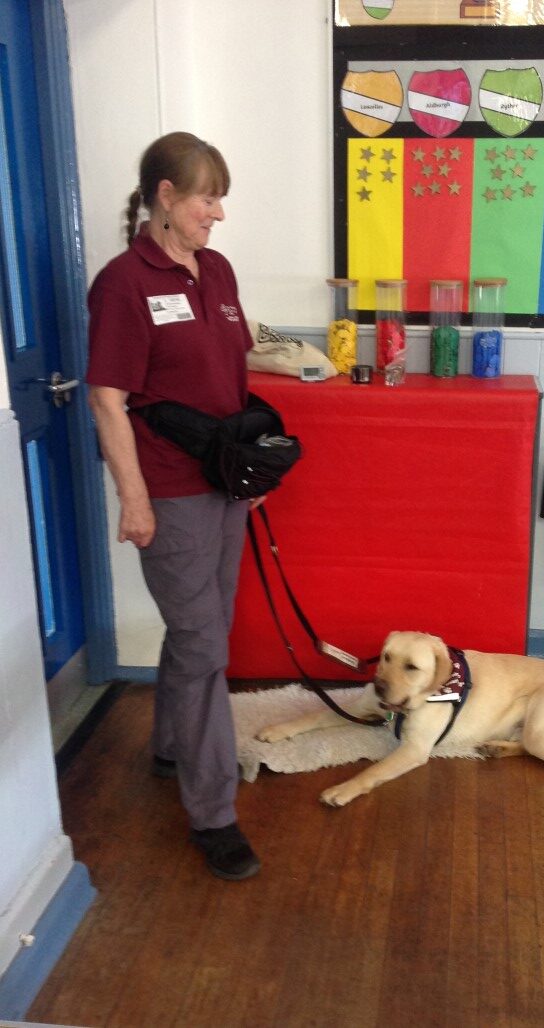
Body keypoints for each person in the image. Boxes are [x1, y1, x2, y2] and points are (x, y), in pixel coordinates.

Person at [86, 132, 261, 881]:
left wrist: (254, 455)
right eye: (205, 200)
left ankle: (168, 747)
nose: (217, 214)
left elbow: (234, 362)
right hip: (169, 490)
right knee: (202, 642)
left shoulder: (215, 270)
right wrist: (134, 501)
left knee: (203, 628)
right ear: (165, 195)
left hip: (224, 481)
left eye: (220, 200)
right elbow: (107, 398)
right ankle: (213, 813)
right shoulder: (123, 284)